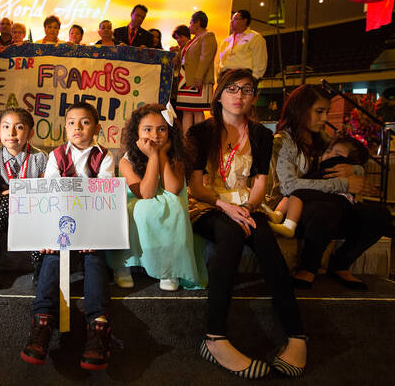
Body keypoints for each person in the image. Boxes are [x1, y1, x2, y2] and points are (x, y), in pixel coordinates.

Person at [187, 69, 307, 379]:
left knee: (264, 239)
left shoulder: (262, 134)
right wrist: (226, 207)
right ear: (220, 95)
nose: (239, 95)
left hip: (246, 204)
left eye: (247, 89)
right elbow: (197, 186)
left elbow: (260, 183)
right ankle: (214, 337)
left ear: (253, 96)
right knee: (229, 235)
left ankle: (296, 335)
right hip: (208, 204)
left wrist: (249, 208)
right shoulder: (201, 133)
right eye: (232, 88)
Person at [21, 102, 115, 370]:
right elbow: (53, 193)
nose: (77, 127)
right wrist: (51, 235)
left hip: (92, 223)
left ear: (97, 128)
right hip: (62, 222)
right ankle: (41, 323)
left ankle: (99, 328)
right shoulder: (57, 156)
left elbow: (103, 194)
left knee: (95, 258)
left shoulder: (105, 157)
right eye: (72, 122)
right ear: (65, 127)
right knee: (53, 256)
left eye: (85, 122)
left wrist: (91, 234)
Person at [273, 84, 389, 291]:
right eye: (319, 112)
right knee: (326, 210)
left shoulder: (323, 138)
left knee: (379, 214)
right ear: (301, 110)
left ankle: (341, 263)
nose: (325, 118)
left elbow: (353, 159)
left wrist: (354, 171)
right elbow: (289, 186)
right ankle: (308, 268)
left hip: (331, 206)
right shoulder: (283, 141)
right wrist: (343, 183)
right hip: (295, 210)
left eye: (327, 112)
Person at [107, 103, 207, 291]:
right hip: (137, 203)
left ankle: (170, 269)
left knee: (173, 205)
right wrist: (152, 157)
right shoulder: (126, 160)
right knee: (140, 209)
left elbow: (173, 189)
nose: (155, 135)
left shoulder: (176, 156)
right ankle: (124, 266)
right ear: (137, 133)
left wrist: (160, 155)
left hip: (165, 202)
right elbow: (146, 194)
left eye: (162, 129)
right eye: (148, 129)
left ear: (170, 132)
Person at [0, 108, 47, 289]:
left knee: (32, 209)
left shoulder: (40, 157)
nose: (12, 133)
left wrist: (19, 193)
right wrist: (8, 195)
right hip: (1, 209)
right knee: (6, 201)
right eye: (6, 127)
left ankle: (40, 264)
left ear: (30, 133)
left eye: (19, 127)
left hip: (31, 208)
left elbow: (45, 187)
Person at [269, 136, 369, 238]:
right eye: (328, 151)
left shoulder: (337, 168)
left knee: (296, 193)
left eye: (337, 154)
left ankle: (289, 226)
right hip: (319, 198)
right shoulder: (320, 166)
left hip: (338, 200)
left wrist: (356, 169)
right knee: (289, 195)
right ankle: (277, 215)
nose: (330, 155)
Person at [174, 11, 218, 134]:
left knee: (198, 111)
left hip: (198, 80)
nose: (189, 25)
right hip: (186, 80)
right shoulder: (192, 40)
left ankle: (199, 141)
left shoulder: (207, 36)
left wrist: (199, 76)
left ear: (197, 23)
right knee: (187, 110)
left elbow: (206, 58)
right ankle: (186, 141)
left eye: (191, 22)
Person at [215, 10, 267, 80]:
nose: (231, 22)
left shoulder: (255, 37)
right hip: (225, 76)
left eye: (235, 19)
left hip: (244, 76)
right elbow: (218, 61)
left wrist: (254, 78)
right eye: (231, 19)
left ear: (244, 21)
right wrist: (218, 77)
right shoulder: (226, 41)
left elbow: (260, 61)